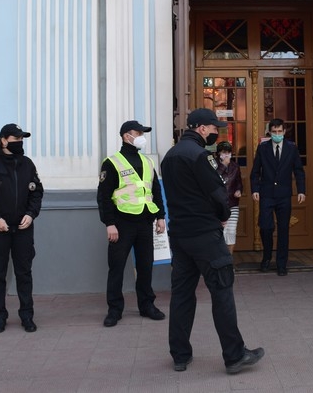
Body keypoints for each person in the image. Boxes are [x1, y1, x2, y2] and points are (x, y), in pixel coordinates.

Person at [161, 108, 264, 374]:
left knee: (182, 295)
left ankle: (180, 355)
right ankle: (234, 355)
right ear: (202, 128)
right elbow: (218, 193)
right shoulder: (200, 156)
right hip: (205, 235)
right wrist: (223, 216)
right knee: (222, 291)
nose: (217, 132)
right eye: (214, 128)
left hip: (180, 235)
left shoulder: (170, 156)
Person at [0, 123, 43, 333]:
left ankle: (27, 316)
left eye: (22, 140)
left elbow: (37, 192)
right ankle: (0, 316)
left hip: (23, 229)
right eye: (15, 140)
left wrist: (31, 214)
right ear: (3, 140)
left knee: (24, 273)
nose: (19, 143)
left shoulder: (27, 164)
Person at [97, 120, 167, 327]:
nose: (141, 137)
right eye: (138, 133)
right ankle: (114, 310)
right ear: (126, 135)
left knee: (146, 267)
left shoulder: (147, 162)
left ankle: (147, 306)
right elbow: (103, 196)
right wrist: (109, 224)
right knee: (116, 268)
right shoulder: (112, 163)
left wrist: (161, 216)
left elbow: (155, 191)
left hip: (145, 222)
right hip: (121, 223)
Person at [249, 118, 306, 276]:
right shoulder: (263, 148)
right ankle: (266, 257)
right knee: (266, 227)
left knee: (283, 230)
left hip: (284, 195)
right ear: (269, 132)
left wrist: (301, 190)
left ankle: (282, 264)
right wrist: (255, 189)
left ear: (284, 131)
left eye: (279, 132)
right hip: (266, 194)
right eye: (274, 132)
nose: (277, 134)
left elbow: (299, 171)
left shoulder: (291, 148)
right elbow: (255, 172)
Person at [215, 141, 243, 254]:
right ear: (218, 154)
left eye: (228, 152)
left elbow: (239, 183)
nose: (226, 155)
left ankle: (229, 260)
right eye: (223, 152)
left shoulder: (235, 167)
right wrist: (222, 166)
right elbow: (214, 179)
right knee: (218, 232)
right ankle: (218, 259)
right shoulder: (213, 165)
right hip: (217, 205)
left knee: (231, 232)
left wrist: (239, 190)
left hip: (232, 204)